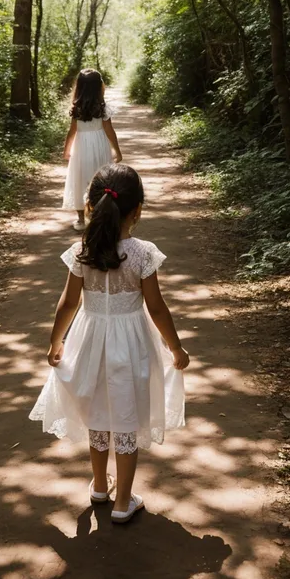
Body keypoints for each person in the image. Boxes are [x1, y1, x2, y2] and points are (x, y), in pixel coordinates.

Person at [30, 163, 189, 524]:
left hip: (89, 340)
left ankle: (100, 486)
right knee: (126, 419)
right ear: (137, 211)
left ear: (90, 206)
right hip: (130, 342)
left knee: (99, 415)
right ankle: (123, 502)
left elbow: (68, 304)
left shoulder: (81, 249)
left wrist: (57, 342)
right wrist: (175, 347)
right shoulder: (143, 253)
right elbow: (157, 308)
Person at [62, 68, 122, 231]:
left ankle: (81, 220)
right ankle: (101, 217)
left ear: (79, 87)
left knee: (80, 179)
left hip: (81, 147)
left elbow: (72, 131)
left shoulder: (77, 108)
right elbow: (110, 131)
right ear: (99, 87)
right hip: (100, 146)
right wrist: (117, 150)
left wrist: (67, 150)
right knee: (101, 179)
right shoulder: (103, 107)